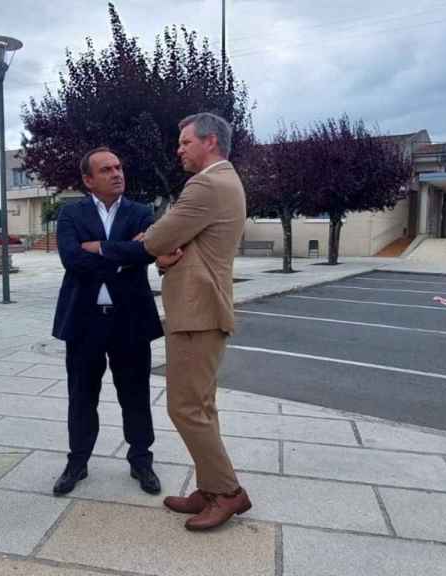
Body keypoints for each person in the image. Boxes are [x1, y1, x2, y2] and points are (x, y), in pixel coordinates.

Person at [141, 113, 253, 531]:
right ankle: (210, 488)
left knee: (185, 408)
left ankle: (227, 493)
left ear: (209, 142)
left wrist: (157, 248)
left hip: (196, 312)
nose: (179, 149)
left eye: (185, 141)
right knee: (201, 406)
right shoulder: (227, 181)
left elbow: (157, 237)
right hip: (205, 308)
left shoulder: (206, 183)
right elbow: (174, 239)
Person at [51, 147, 163, 496]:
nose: (117, 173)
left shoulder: (141, 212)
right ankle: (77, 461)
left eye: (118, 167)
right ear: (88, 180)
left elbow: (147, 252)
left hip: (130, 319)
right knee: (81, 395)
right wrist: (122, 255)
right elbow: (72, 259)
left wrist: (99, 248)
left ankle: (141, 459)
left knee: (136, 395)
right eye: (106, 169)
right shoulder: (71, 214)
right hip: (84, 321)